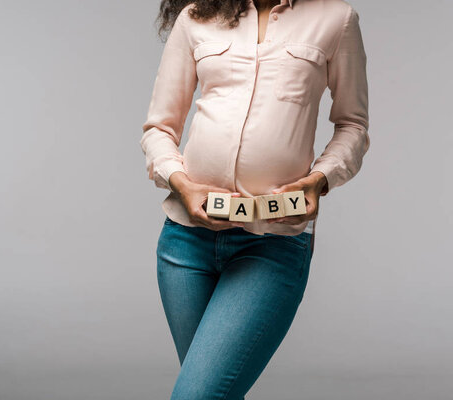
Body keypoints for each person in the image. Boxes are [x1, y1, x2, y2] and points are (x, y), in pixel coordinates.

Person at [139, 0, 369, 398]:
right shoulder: (196, 16)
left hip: (271, 245)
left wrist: (320, 180)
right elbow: (159, 128)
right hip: (184, 244)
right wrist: (183, 185)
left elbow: (353, 125)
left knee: (199, 394)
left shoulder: (336, 19)